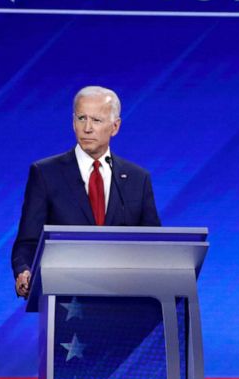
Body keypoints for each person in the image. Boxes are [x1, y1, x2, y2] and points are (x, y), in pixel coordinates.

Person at [11, 86, 161, 298]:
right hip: (65, 300)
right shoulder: (46, 173)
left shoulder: (138, 179)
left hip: (125, 301)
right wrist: (23, 271)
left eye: (97, 120)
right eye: (81, 118)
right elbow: (27, 242)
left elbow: (154, 247)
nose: (87, 128)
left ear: (115, 126)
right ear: (73, 122)